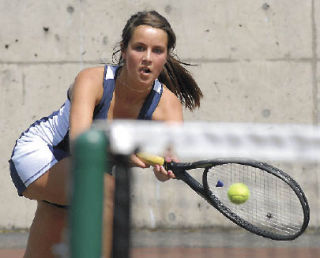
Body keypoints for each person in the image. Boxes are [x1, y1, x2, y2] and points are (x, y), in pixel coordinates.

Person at [9, 10, 203, 258]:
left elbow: (168, 165)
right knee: (108, 192)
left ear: (166, 56)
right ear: (124, 50)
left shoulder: (168, 105)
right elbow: (81, 143)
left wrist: (165, 169)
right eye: (139, 48)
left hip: (84, 174)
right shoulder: (92, 80)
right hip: (42, 155)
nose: (147, 58)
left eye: (157, 51)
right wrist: (125, 153)